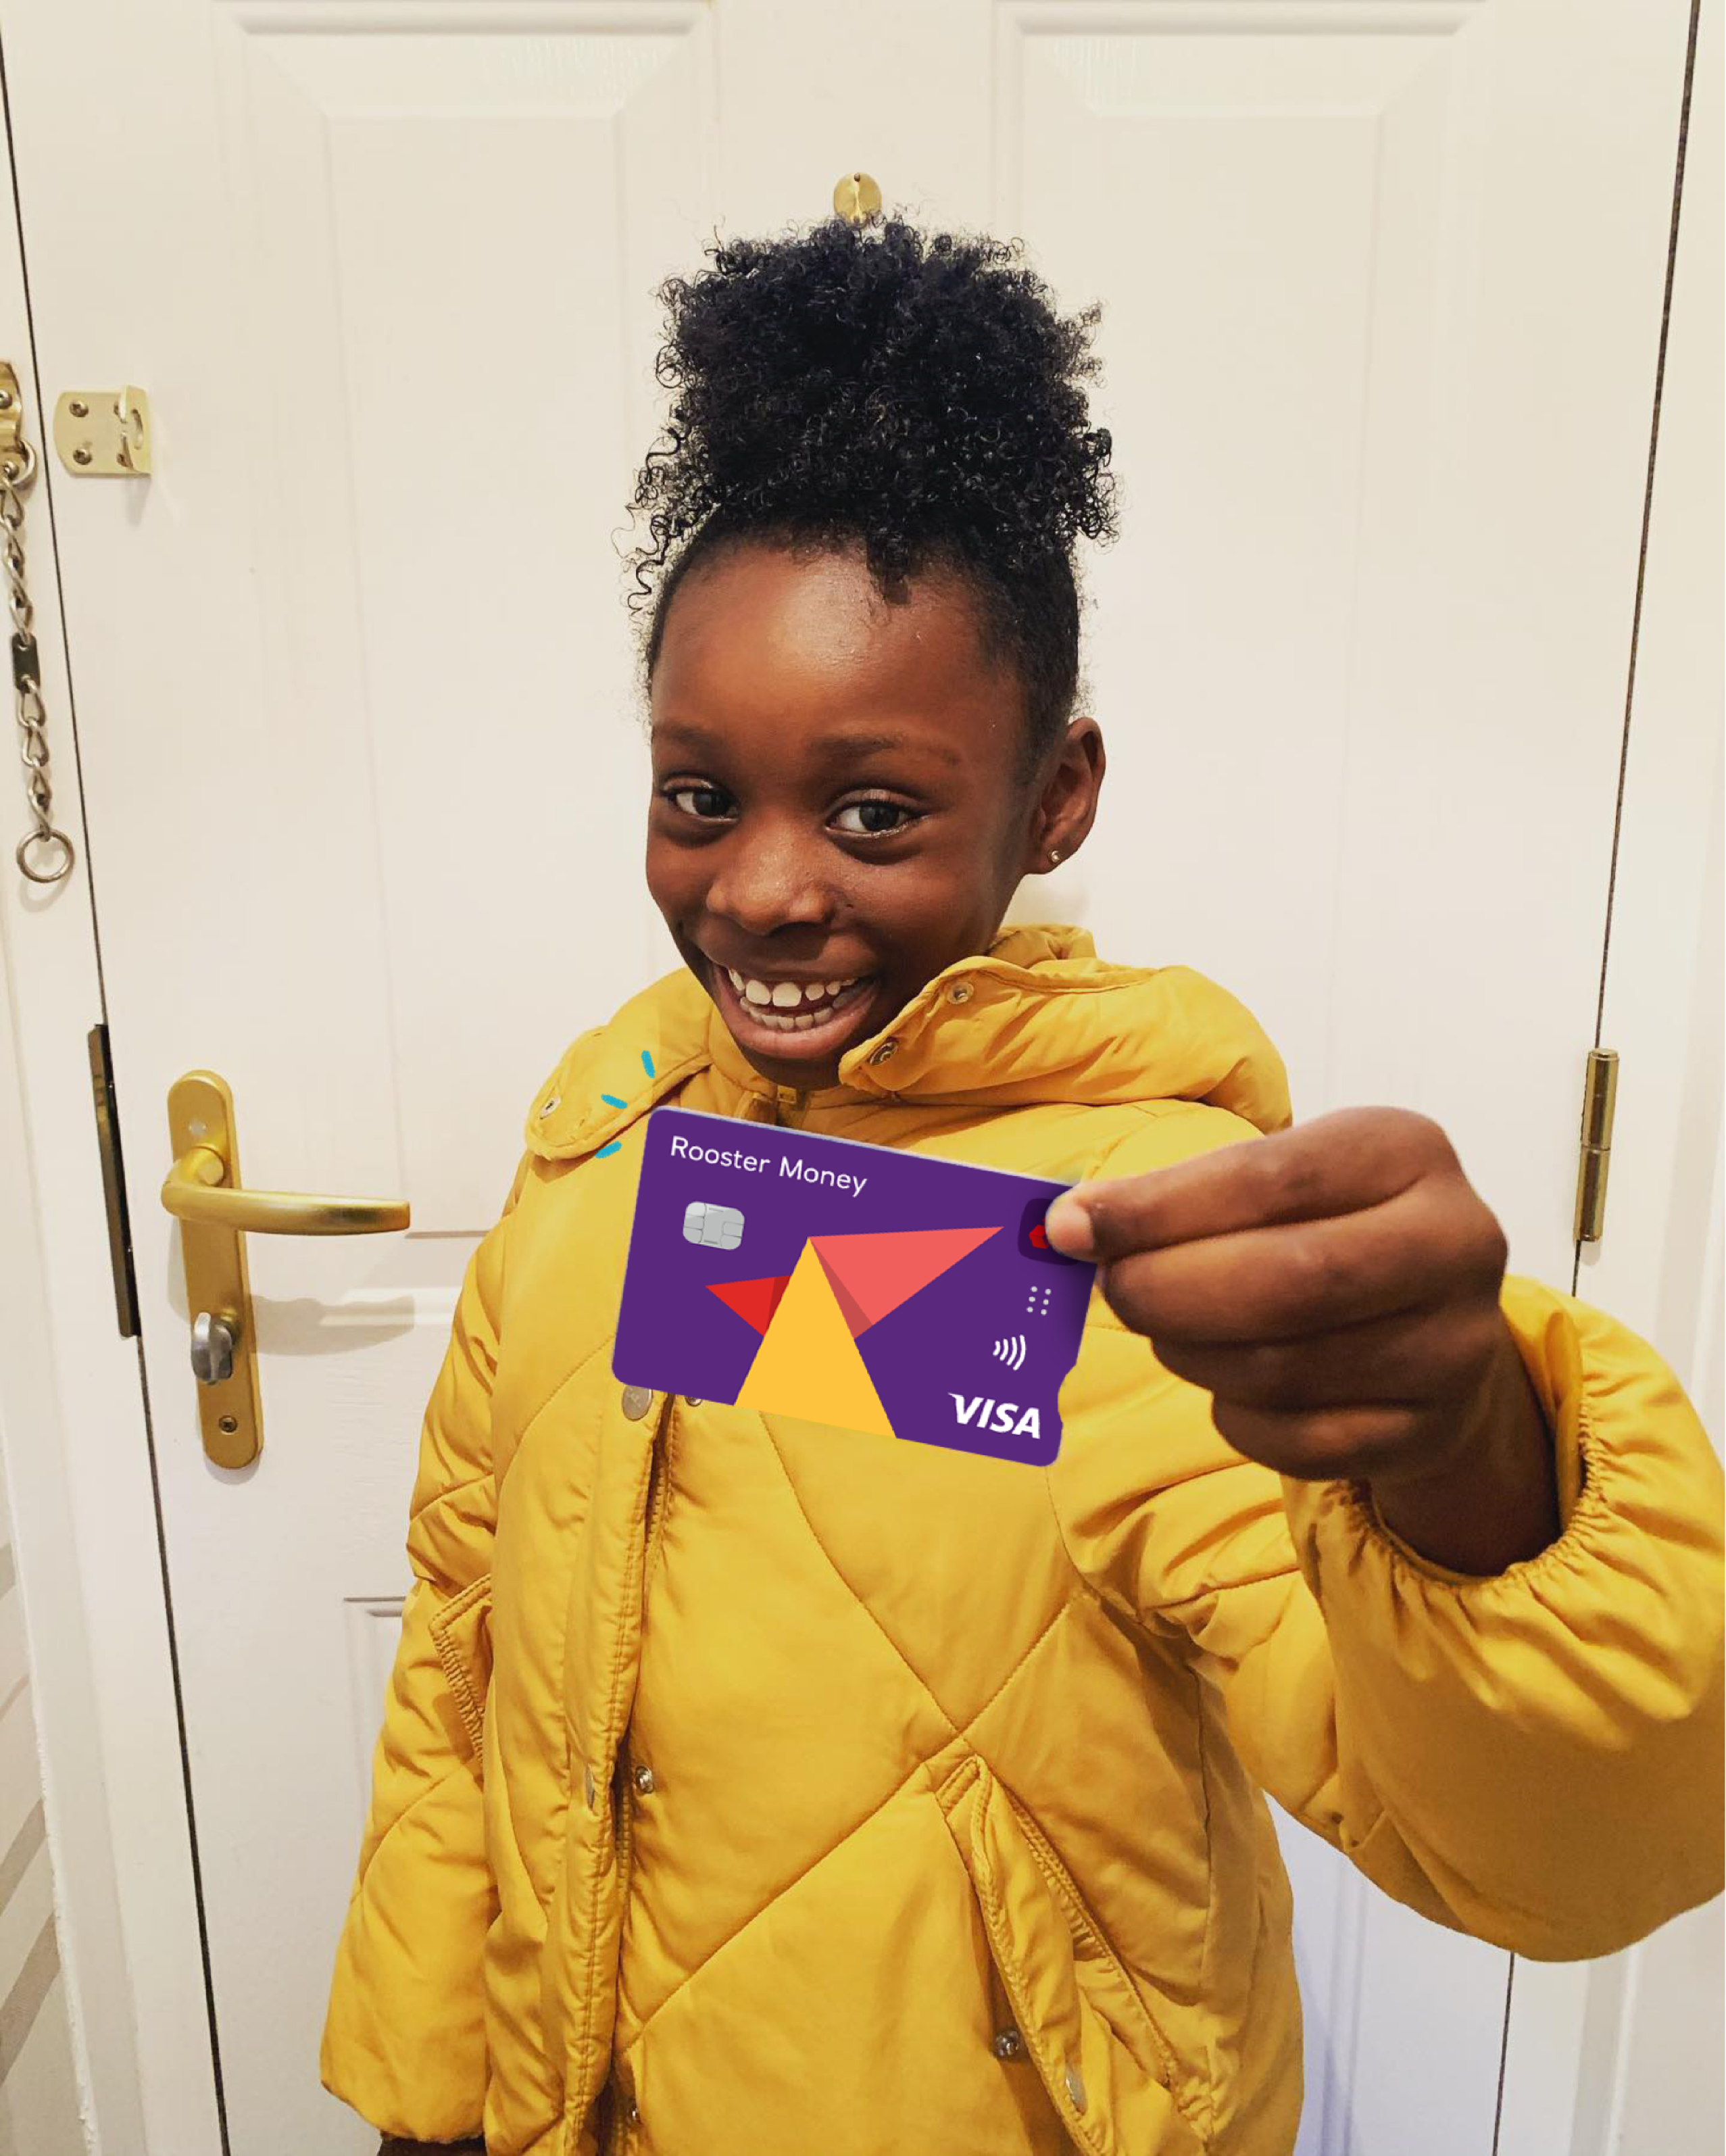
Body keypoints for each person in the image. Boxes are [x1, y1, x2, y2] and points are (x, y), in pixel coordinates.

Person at [321, 218, 1725, 2156]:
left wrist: (1479, 1475)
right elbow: (461, 1653)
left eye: (875, 807)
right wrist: (428, 2095)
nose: (764, 886)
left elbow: (1546, 1856)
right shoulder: (599, 1154)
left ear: (1054, 794)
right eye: (701, 793)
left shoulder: (1136, 1240)